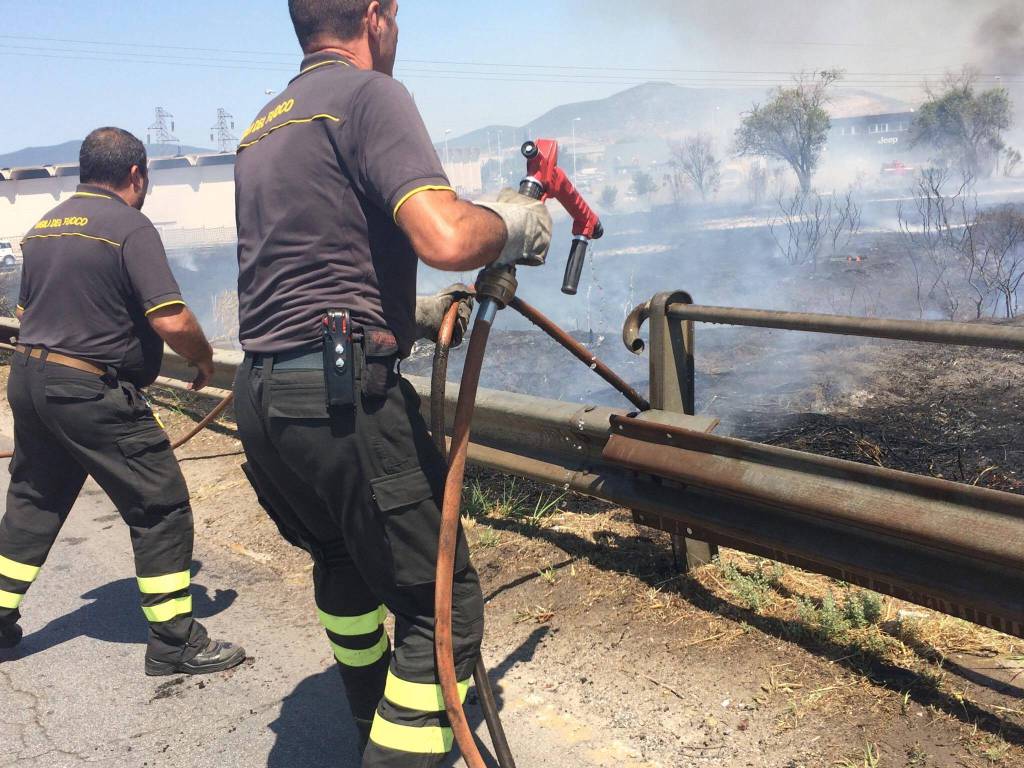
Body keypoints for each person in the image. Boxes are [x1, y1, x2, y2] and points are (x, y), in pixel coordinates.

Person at [232, 1, 551, 764]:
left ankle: (371, 723)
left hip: (265, 401)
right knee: (441, 611)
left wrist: (408, 316)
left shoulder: (265, 124)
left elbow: (309, 278)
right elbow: (444, 235)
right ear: (376, 15)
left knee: (342, 561)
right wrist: (511, 224)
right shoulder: (369, 95)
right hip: (340, 402)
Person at [0, 128, 246, 677]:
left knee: (34, 501)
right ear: (136, 174)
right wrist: (204, 359)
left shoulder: (43, 227)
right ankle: (173, 641)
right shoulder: (129, 226)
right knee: (159, 505)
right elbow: (170, 316)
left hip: (31, 378)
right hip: (88, 390)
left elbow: (29, 312)